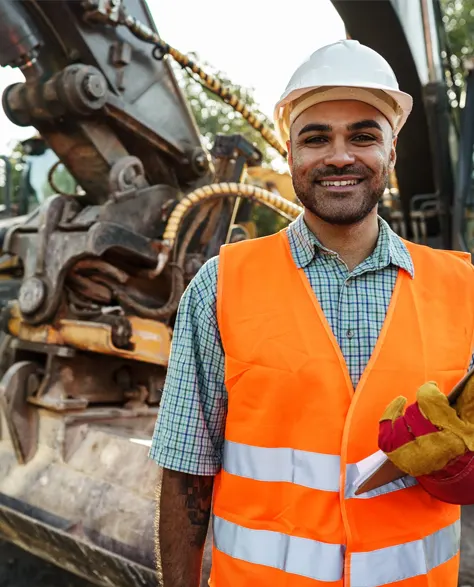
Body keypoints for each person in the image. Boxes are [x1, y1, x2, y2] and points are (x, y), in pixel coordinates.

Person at [149, 39, 474, 587]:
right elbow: (186, 470)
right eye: (316, 137)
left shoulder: (462, 289)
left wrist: (459, 471)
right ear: (290, 154)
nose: (340, 156)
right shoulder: (223, 285)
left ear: (392, 152)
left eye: (364, 136)